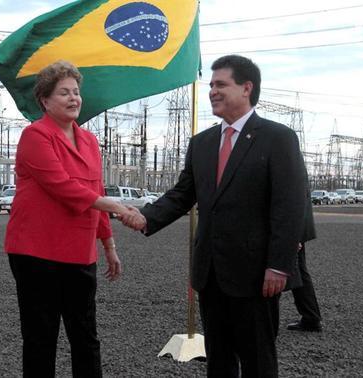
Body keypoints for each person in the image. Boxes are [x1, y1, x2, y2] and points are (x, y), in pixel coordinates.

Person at [121, 55, 307, 377]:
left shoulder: (278, 138)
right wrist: (146, 217)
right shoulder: (202, 143)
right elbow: (182, 194)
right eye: (210, 86)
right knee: (218, 361)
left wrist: (279, 265)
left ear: (247, 88)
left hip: (256, 276)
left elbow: (289, 208)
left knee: (258, 360)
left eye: (221, 84)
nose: (212, 91)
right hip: (210, 274)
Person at [5, 60, 133, 378]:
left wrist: (109, 244)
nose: (74, 98)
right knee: (40, 338)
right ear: (45, 100)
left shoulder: (89, 141)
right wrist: (117, 207)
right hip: (36, 253)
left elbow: (94, 190)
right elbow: (63, 187)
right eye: (64, 92)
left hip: (79, 252)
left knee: (85, 336)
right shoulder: (35, 136)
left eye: (76, 92)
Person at [286, 183, 322, 332]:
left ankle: (311, 317)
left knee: (296, 271)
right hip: (296, 226)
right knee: (299, 271)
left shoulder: (287, 161)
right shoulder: (293, 161)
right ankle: (310, 316)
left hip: (293, 227)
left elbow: (293, 198)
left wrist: (295, 235)